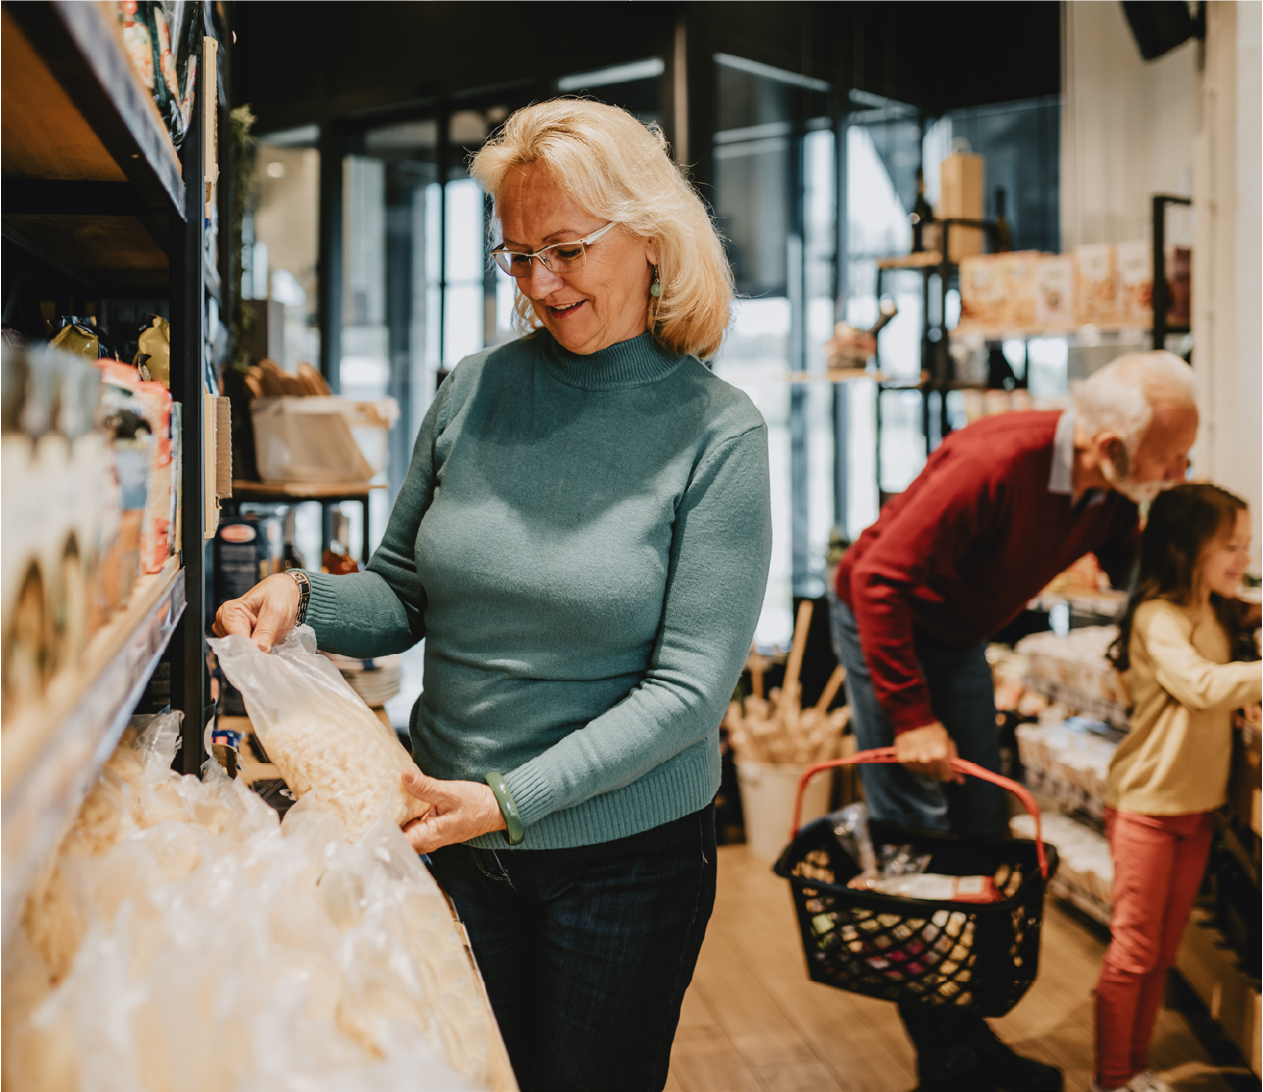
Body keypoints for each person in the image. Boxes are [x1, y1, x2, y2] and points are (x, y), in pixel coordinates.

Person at [214, 99, 773, 1092]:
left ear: (651, 235)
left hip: (623, 862)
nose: (540, 284)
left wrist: (510, 801)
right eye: (516, 256)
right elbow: (401, 593)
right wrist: (301, 598)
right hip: (448, 833)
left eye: (564, 249)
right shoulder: (473, 390)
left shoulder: (717, 435)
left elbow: (689, 692)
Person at [829, 350, 1199, 1092]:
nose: (1180, 472)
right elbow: (874, 580)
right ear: (1111, 448)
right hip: (887, 627)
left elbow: (1136, 577)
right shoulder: (994, 462)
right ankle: (946, 1064)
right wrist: (910, 716)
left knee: (980, 826)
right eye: (1174, 457)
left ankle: (967, 1040)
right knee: (918, 841)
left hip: (958, 638)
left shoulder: (1107, 494)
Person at [1092, 485, 1261, 1092]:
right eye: (1230, 546)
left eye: (1245, 544)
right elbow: (1200, 686)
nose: (1243, 557)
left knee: (1163, 952)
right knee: (1134, 951)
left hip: (1195, 809)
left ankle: (1133, 1069)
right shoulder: (1157, 616)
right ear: (1185, 549)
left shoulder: (1214, 610)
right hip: (1146, 808)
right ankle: (1113, 1078)